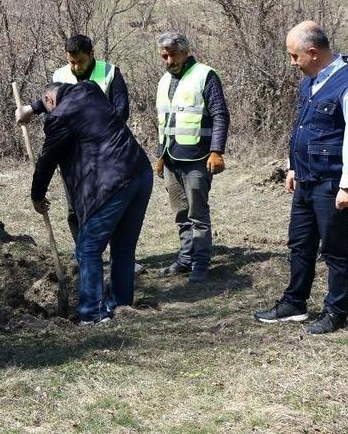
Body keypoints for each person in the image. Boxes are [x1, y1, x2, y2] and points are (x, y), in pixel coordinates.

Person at [253, 21, 348, 334]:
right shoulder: (310, 82)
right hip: (305, 178)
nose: (292, 62)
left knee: (334, 249)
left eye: (295, 56)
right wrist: (293, 167)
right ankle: (294, 303)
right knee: (300, 244)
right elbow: (303, 128)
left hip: (332, 183)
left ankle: (336, 312)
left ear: (313, 52)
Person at [27, 81, 152, 324]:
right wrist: (32, 109)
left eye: (46, 107)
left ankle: (93, 314)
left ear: (51, 101)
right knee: (123, 248)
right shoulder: (90, 89)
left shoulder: (59, 118)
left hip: (111, 183)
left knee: (88, 248)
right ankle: (121, 305)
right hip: (140, 173)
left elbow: (47, 160)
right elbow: (56, 96)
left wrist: (37, 195)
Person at [16, 34, 129, 241]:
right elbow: (49, 100)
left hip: (104, 155)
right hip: (72, 158)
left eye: (80, 62)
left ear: (91, 54)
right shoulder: (60, 74)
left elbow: (122, 112)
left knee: (109, 206)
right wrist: (30, 109)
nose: (76, 67)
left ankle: (118, 254)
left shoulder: (110, 73)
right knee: (76, 209)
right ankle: (83, 253)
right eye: (72, 62)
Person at [154, 32, 230, 283]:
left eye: (173, 55)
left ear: (186, 52)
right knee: (180, 214)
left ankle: (200, 263)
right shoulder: (164, 81)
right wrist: (160, 155)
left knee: (198, 215)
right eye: (164, 56)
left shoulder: (205, 75)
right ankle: (185, 259)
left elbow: (220, 114)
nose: (169, 61)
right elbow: (164, 122)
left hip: (198, 157)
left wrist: (217, 151)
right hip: (171, 158)